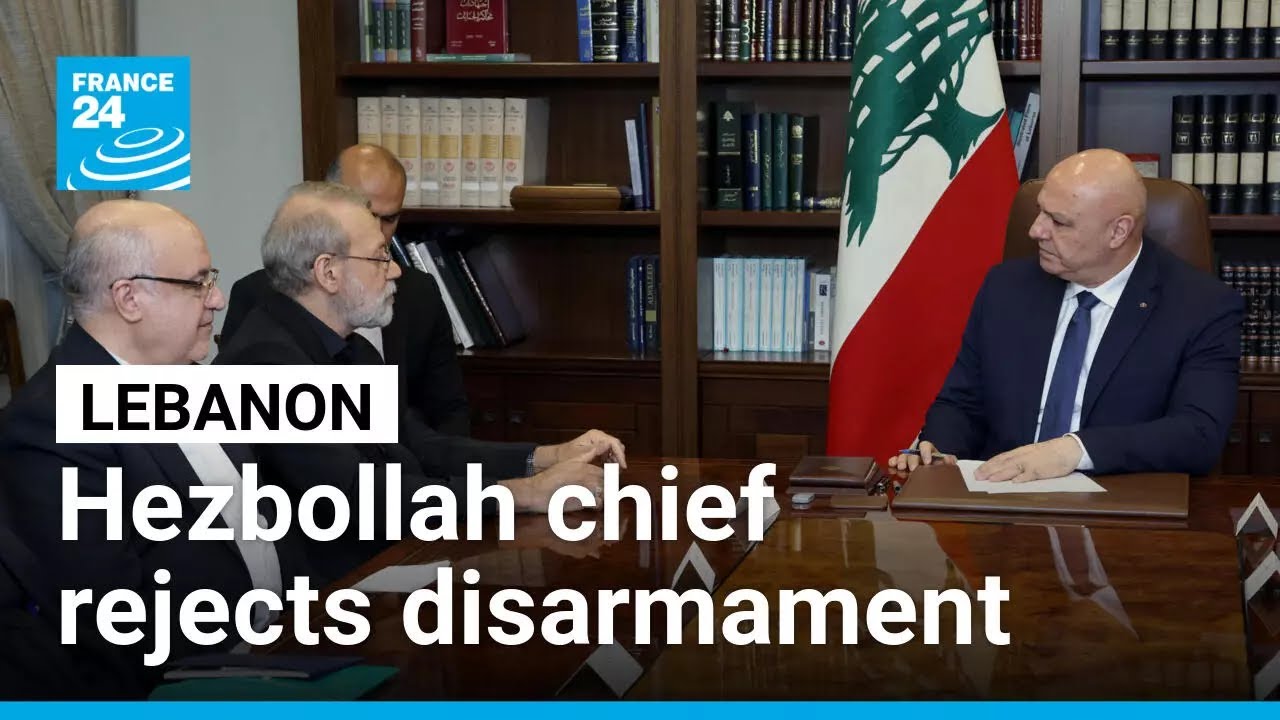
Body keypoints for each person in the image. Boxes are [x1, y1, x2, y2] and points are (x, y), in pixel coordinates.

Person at [215, 181, 626, 584]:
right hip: (326, 596)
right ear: (329, 272)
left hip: (388, 562)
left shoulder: (352, 349)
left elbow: (422, 447)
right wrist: (526, 493)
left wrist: (547, 457)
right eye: (380, 257)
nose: (395, 270)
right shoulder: (267, 361)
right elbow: (356, 499)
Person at [0, 200, 308, 693]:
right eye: (198, 283)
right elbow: (114, 624)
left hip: (288, 649)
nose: (218, 299)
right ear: (129, 298)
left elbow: (261, 528)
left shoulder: (195, 380)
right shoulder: (50, 425)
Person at [888, 149, 1243, 480]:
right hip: (1001, 500)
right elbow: (963, 402)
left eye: (1058, 222)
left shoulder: (1201, 306)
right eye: (1040, 211)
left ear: (1118, 231)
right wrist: (938, 448)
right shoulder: (1006, 288)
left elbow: (1198, 433)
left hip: (1117, 504)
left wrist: (1075, 450)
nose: (1036, 230)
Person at [221, 144, 469, 435]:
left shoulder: (416, 296)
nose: (378, 231)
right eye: (365, 212)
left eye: (389, 219)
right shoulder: (257, 307)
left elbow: (446, 414)